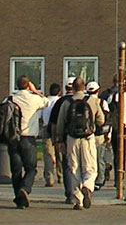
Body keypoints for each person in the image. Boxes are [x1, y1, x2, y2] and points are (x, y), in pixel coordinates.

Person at [60, 79, 105, 209]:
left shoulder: (67, 102)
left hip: (72, 138)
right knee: (90, 167)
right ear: (84, 87)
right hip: (88, 138)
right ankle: (88, 186)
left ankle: (78, 200)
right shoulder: (92, 101)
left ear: (72, 88)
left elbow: (60, 123)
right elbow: (101, 120)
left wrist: (59, 140)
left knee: (74, 167)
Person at [7, 75, 48, 209]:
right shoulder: (34, 99)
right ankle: (24, 189)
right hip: (28, 138)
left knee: (16, 169)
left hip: (13, 138)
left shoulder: (10, 99)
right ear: (28, 85)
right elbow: (46, 101)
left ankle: (18, 197)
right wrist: (35, 91)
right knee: (31, 168)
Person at [49, 78, 78, 204]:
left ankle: (70, 193)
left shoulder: (61, 101)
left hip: (67, 137)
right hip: (84, 138)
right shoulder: (84, 100)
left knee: (67, 165)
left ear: (65, 88)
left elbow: (54, 121)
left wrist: (56, 138)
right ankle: (81, 191)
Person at [40, 83, 62, 186]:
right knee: (60, 153)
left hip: (46, 128)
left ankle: (49, 178)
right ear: (59, 92)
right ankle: (61, 175)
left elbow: (39, 117)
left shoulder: (45, 102)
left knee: (48, 154)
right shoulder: (60, 101)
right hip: (58, 129)